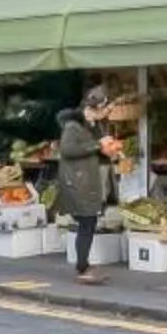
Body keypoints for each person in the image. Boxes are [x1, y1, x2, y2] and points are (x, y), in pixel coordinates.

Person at [52, 108, 110, 285]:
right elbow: (68, 150)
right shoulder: (72, 128)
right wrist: (97, 145)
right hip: (78, 185)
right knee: (87, 223)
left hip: (81, 184)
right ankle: (83, 267)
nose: (92, 114)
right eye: (90, 112)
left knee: (88, 223)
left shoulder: (79, 129)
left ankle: (84, 265)